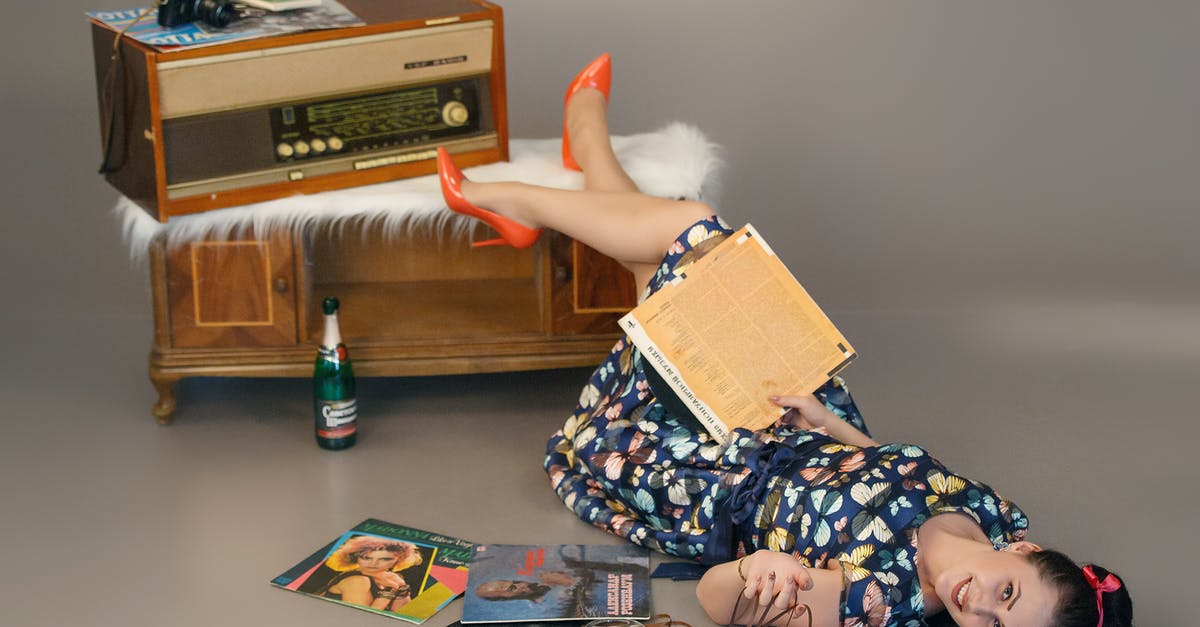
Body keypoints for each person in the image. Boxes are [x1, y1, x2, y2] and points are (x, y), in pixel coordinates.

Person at [435, 54, 1133, 627]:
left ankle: (522, 197)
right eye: (1005, 593)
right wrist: (831, 424)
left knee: (691, 235)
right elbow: (886, 474)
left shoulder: (882, 603)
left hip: (709, 468)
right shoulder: (990, 512)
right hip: (793, 414)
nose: (975, 603)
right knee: (679, 266)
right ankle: (583, 146)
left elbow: (715, 596)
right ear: (1024, 548)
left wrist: (753, 573)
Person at [309, 535, 421, 613]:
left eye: (384, 559)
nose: (373, 563)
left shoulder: (393, 578)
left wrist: (401, 589)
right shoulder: (357, 581)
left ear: (399, 560)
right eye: (366, 557)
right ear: (356, 556)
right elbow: (361, 619)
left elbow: (401, 613)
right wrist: (389, 592)